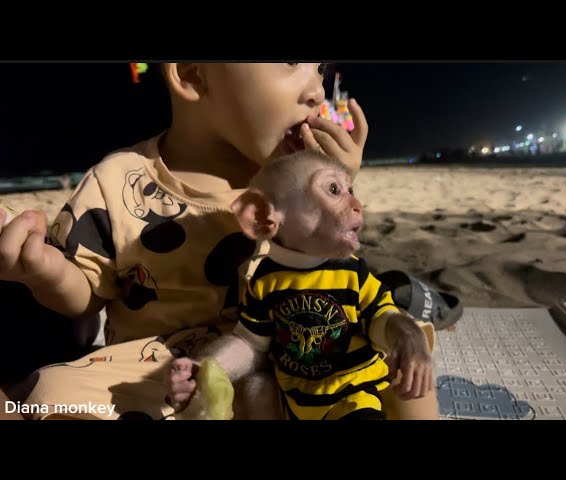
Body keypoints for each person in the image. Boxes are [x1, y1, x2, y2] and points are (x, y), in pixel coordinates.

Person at [0, 63, 438, 420]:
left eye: (320, 68)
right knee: (47, 396)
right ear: (193, 75)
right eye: (291, 63)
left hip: (296, 358)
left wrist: (334, 184)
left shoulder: (291, 184)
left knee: (406, 347)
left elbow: (331, 264)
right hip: (161, 370)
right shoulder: (119, 178)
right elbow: (85, 294)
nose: (317, 92)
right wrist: (43, 270)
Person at [168, 151, 435, 420]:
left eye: (350, 189)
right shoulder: (265, 281)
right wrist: (206, 368)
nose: (357, 203)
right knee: (255, 387)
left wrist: (409, 337)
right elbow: (249, 343)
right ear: (262, 216)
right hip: (294, 400)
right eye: (334, 189)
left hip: (352, 395)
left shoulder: (353, 273)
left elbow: (383, 319)